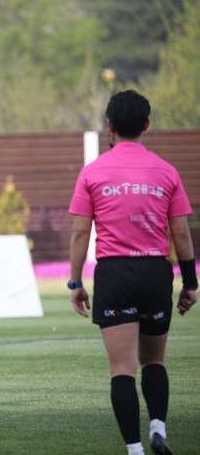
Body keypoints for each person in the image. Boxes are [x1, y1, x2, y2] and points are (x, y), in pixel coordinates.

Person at [68, 90, 197, 455]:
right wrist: (190, 283)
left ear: (109, 126)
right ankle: (158, 428)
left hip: (115, 274)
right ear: (146, 125)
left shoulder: (93, 171)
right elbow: (181, 234)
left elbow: (80, 233)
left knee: (122, 369)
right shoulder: (166, 171)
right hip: (155, 272)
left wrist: (76, 282)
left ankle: (136, 450)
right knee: (154, 361)